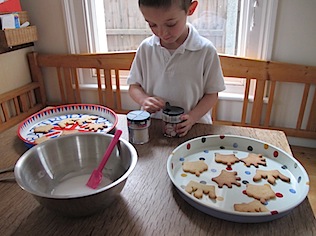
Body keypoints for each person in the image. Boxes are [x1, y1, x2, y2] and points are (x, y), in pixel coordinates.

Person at [127, 0, 225, 137]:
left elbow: (212, 94)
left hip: (195, 128)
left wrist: (192, 118)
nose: (161, 32)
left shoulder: (205, 51)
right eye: (152, 24)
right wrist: (143, 100)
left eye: (170, 24)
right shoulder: (146, 49)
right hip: (154, 128)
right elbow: (134, 86)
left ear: (190, 9)